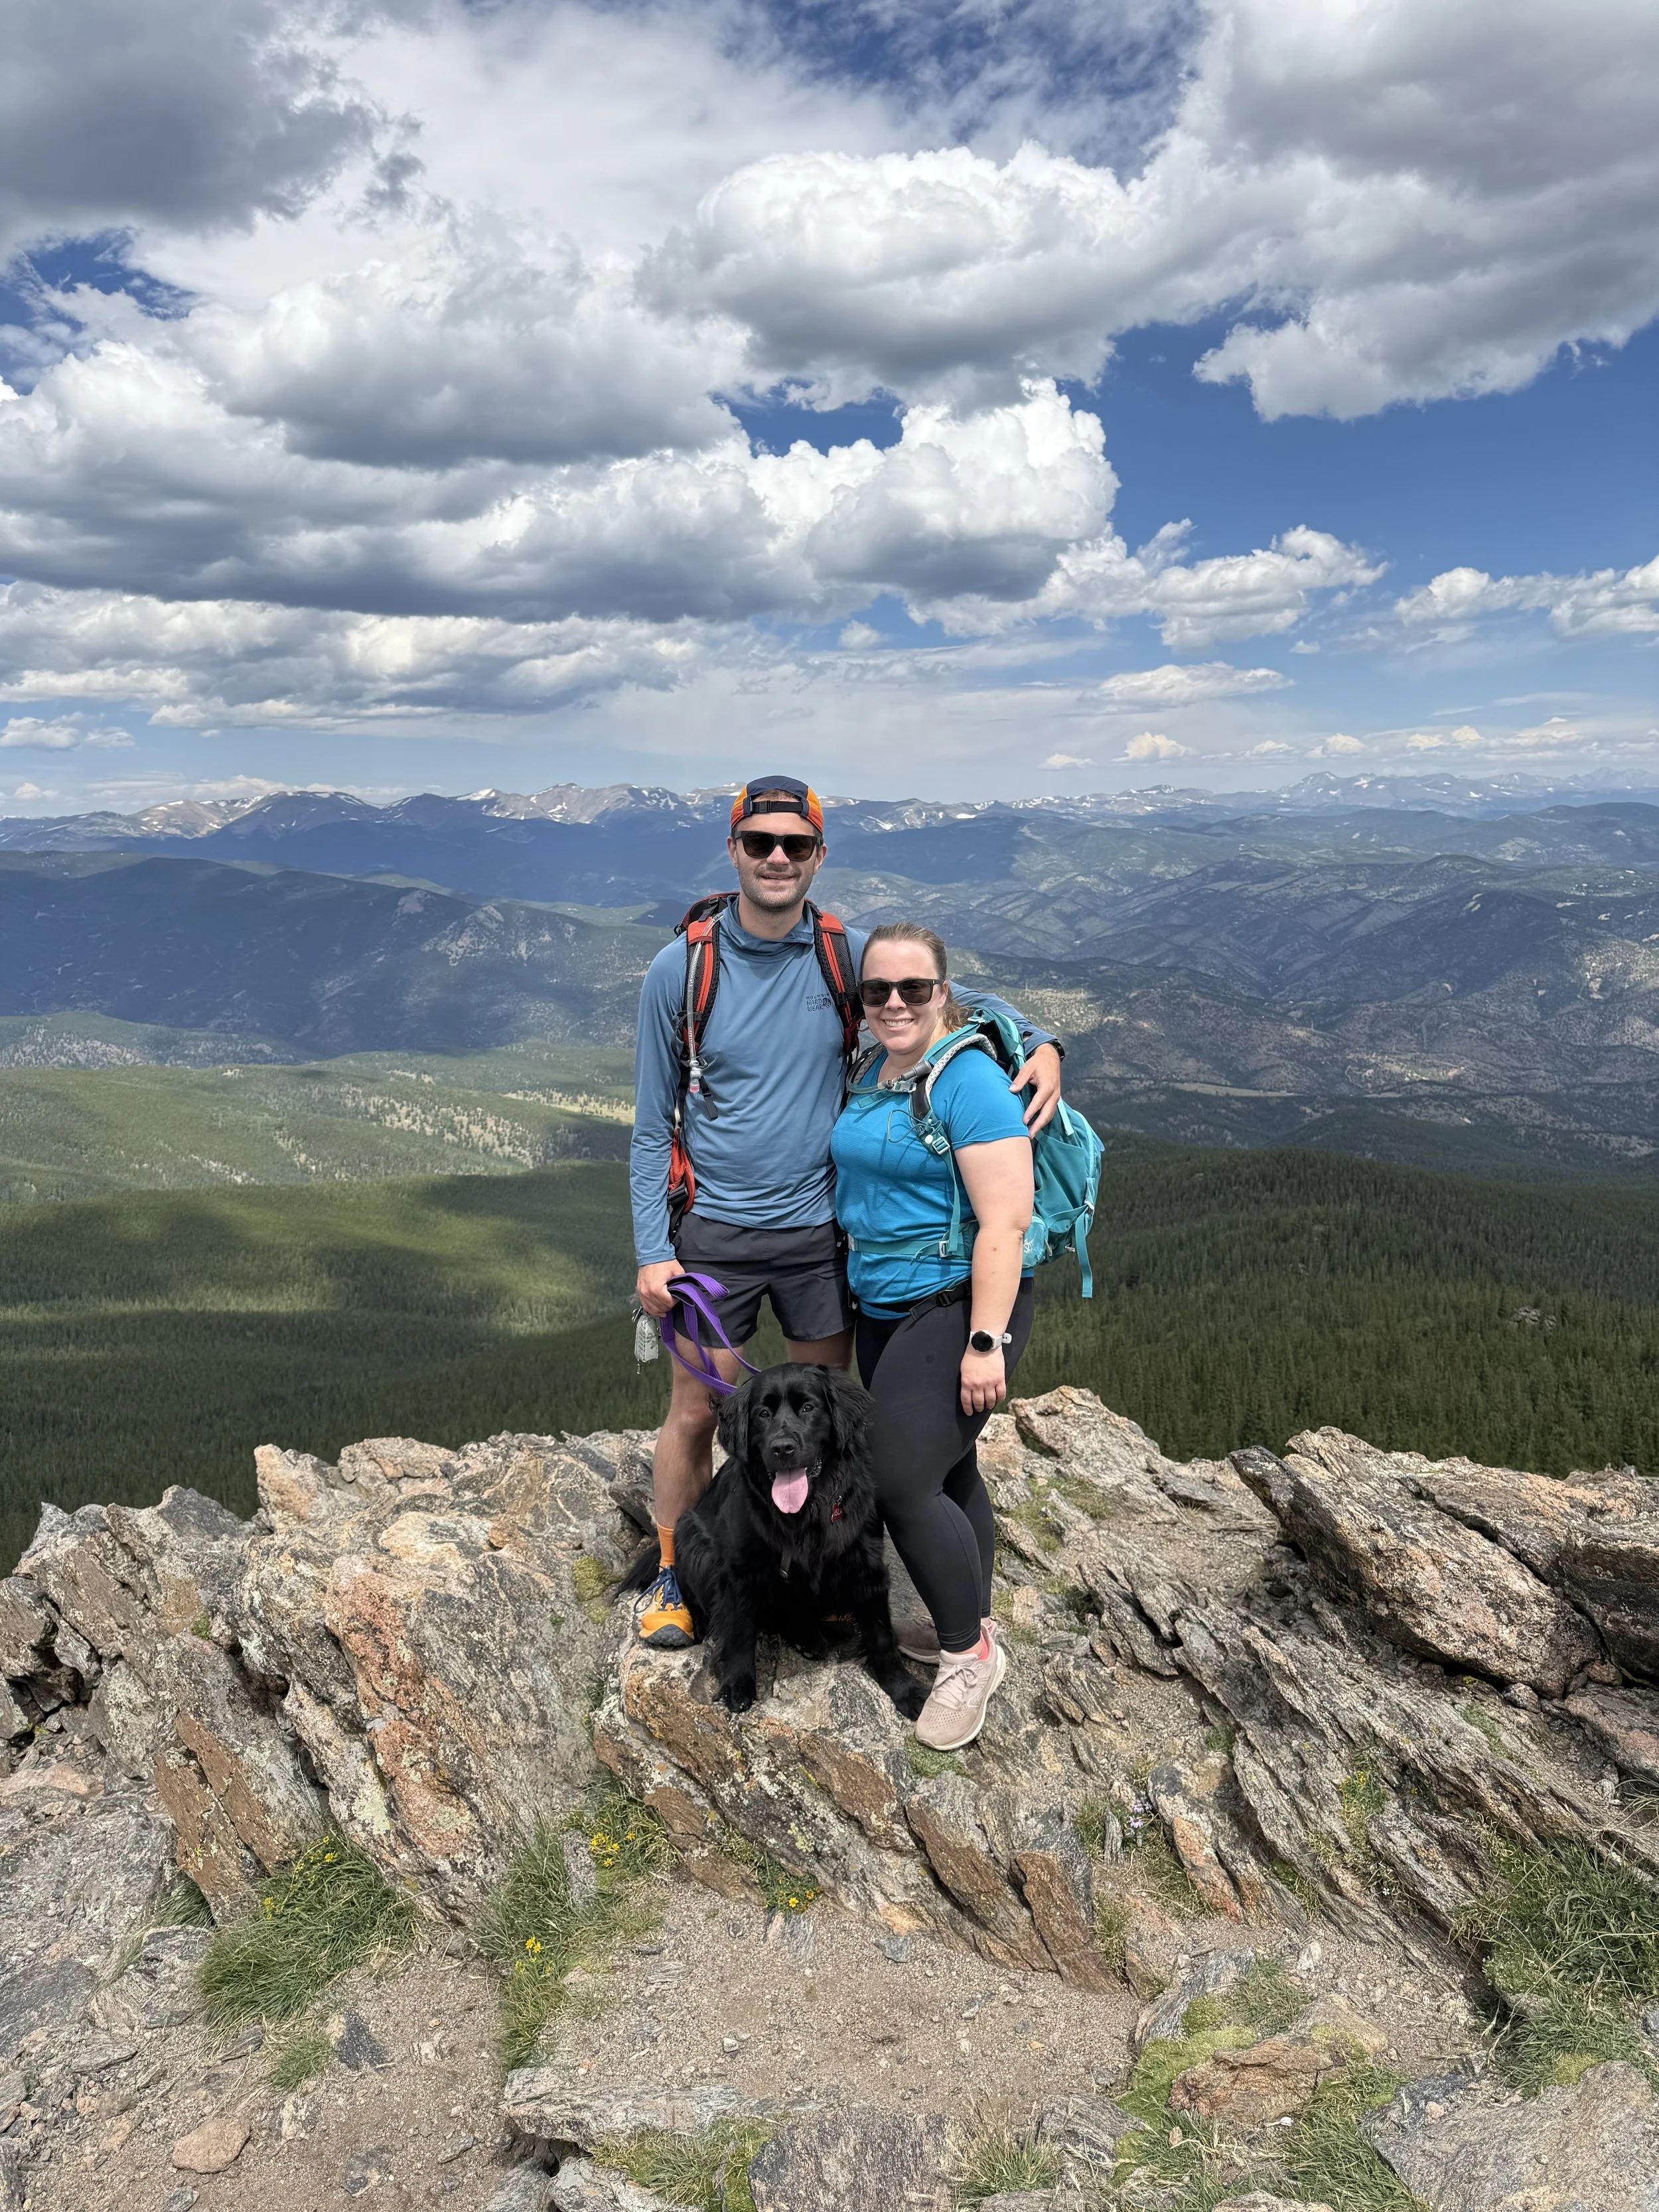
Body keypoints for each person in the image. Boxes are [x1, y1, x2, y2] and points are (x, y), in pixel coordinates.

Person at [630, 775, 1064, 1648]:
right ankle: (676, 1577)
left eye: (796, 845)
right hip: (712, 1233)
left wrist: (1040, 1039)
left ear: (819, 856)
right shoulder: (680, 972)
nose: (779, 858)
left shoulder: (845, 956)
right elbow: (651, 1125)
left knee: (820, 1421)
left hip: (821, 1241)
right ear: (735, 851)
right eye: (762, 843)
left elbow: (945, 995)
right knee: (696, 1415)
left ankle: (817, 1569)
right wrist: (651, 1247)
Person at [830, 921, 1036, 1750]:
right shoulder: (869, 1067)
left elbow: (1006, 1220)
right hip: (884, 1305)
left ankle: (965, 1653)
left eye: (914, 989)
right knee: (949, 1470)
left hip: (960, 1301)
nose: (893, 1003)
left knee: (892, 1477)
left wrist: (985, 1342)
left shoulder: (968, 1081)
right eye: (876, 990)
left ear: (943, 993)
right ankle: (972, 1613)